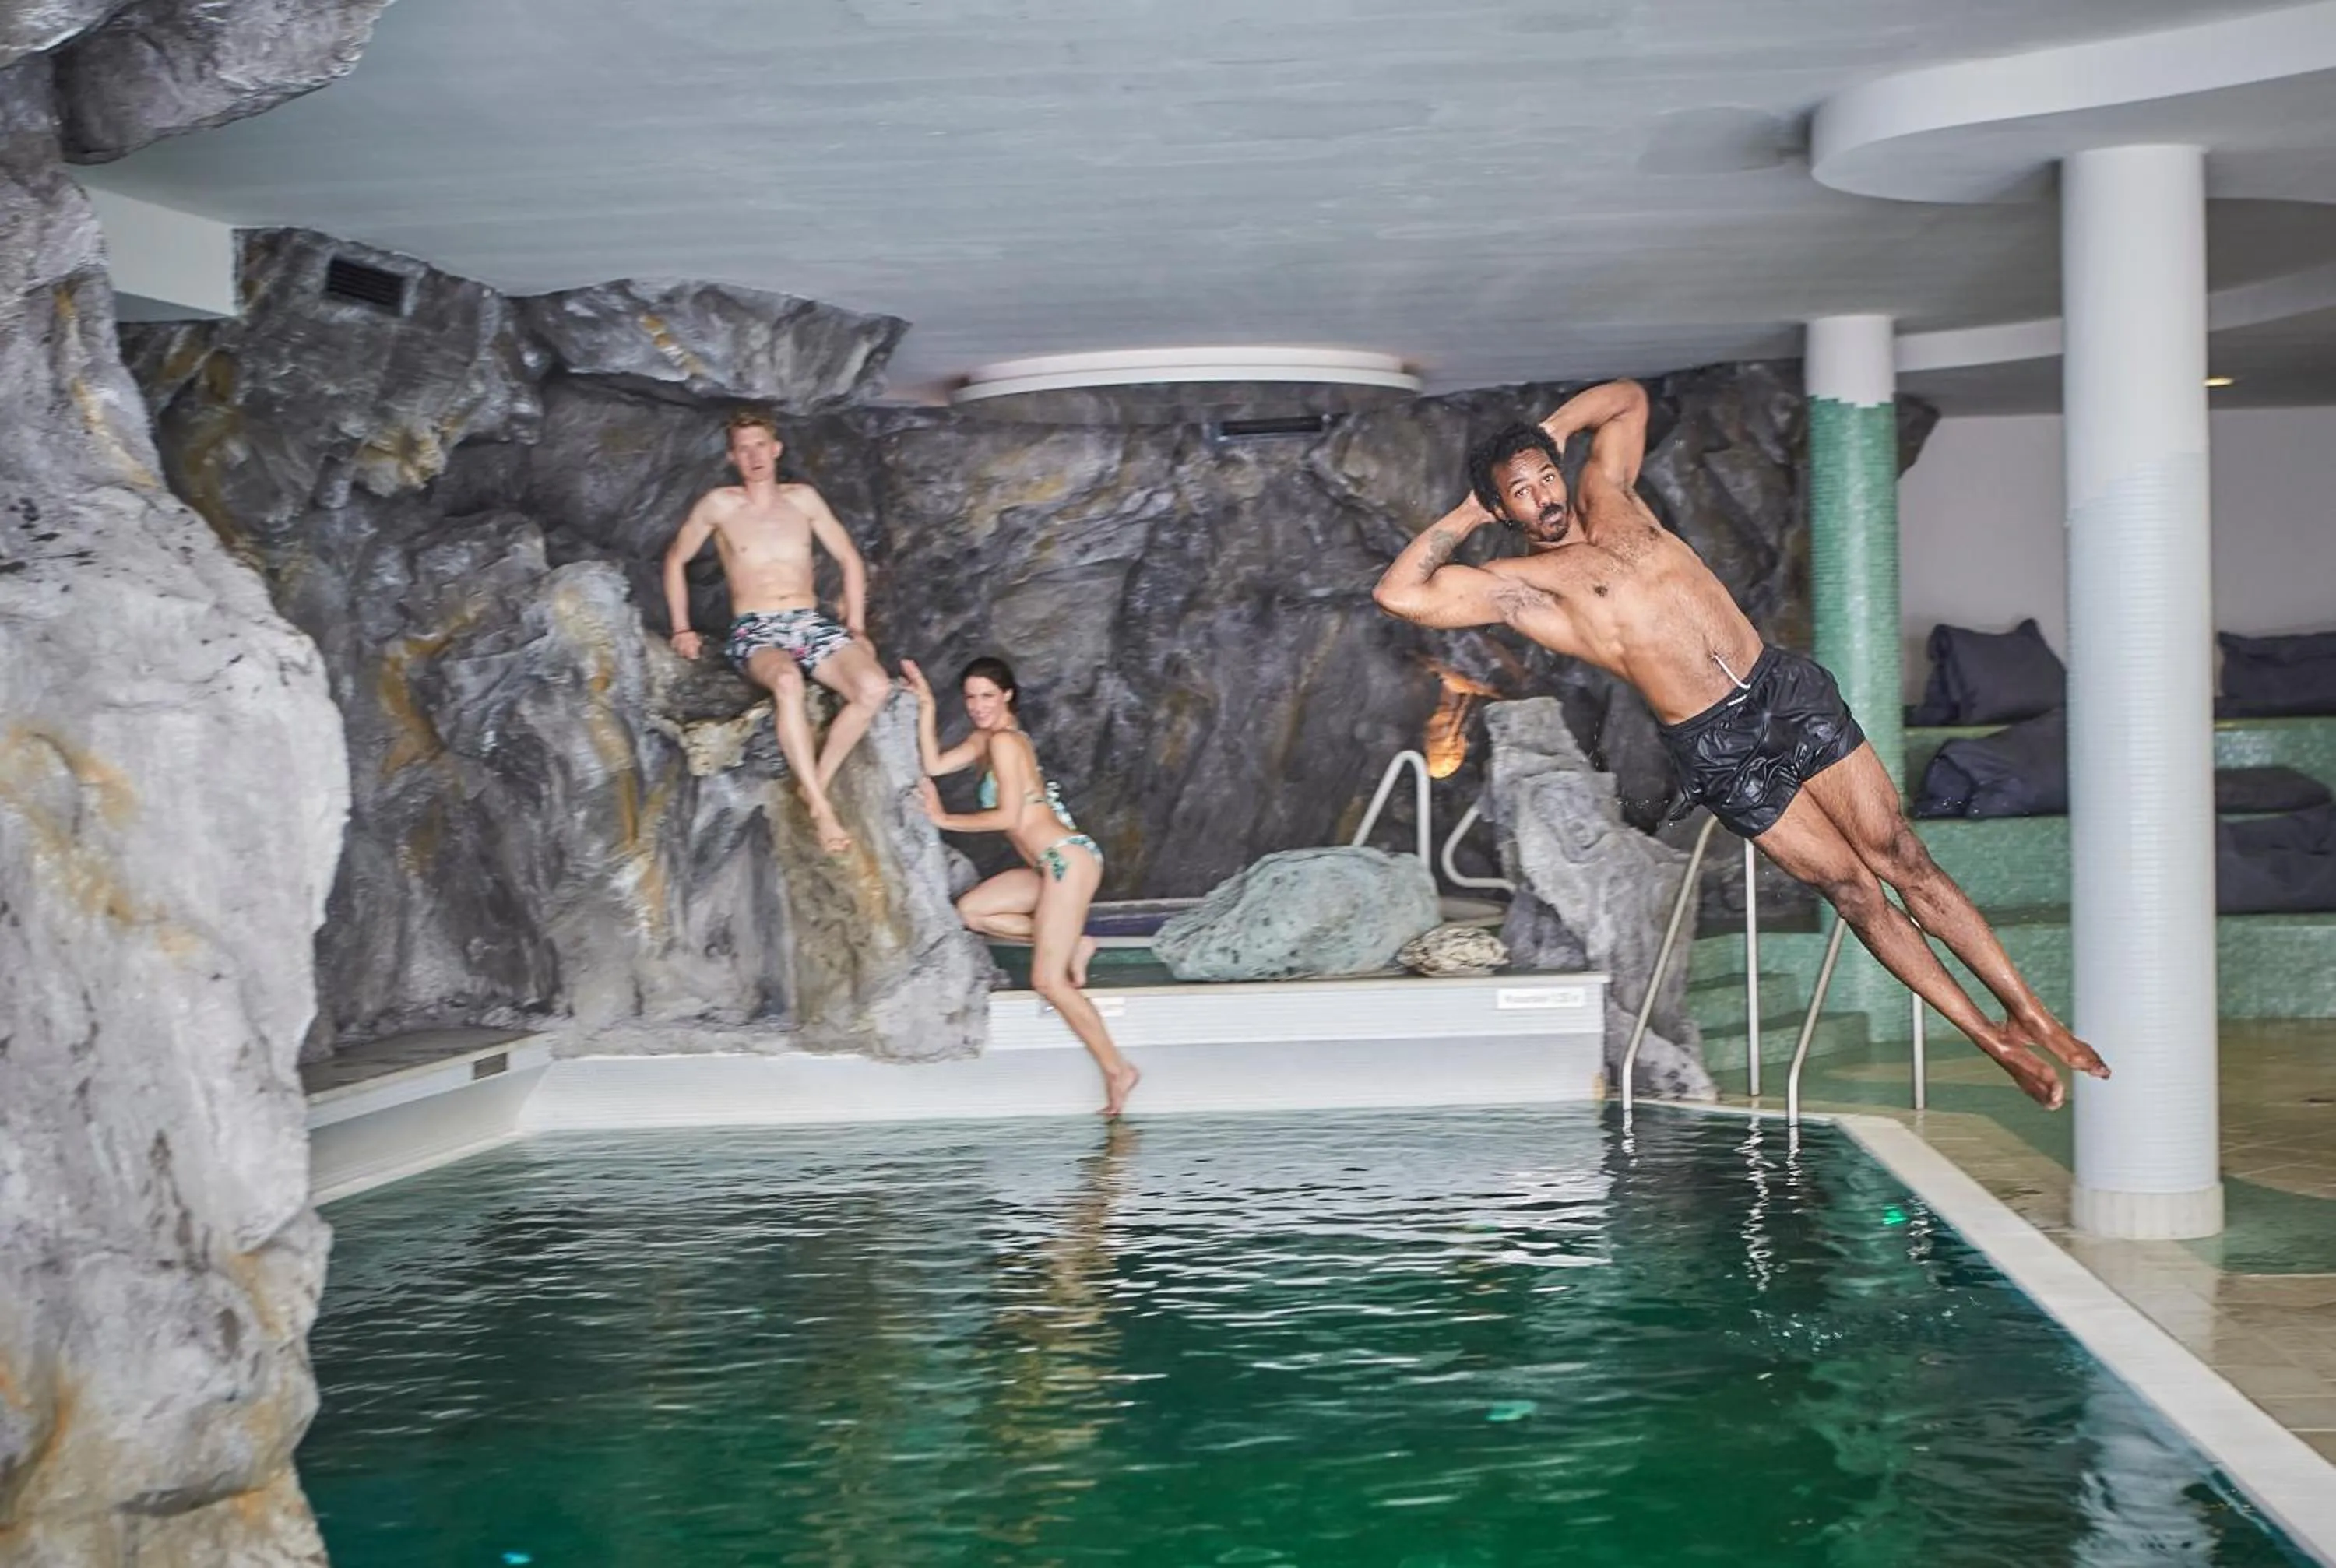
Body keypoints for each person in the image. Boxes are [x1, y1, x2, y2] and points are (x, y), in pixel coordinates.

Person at [1372, 380, 2110, 1109]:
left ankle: (2030, 1012)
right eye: (1521, 492)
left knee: (1902, 856)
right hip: (1717, 747)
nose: (1544, 495)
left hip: (1781, 691)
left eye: (1545, 477)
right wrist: (1468, 512)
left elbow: (1626, 400)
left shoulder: (1612, 494)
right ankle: (1990, 1039)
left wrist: (1553, 432)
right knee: (1854, 892)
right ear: (1504, 510)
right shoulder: (1524, 586)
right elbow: (1399, 594)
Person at [903, 655, 1140, 1117]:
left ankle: (1118, 1070)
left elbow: (1009, 817)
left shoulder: (1007, 742)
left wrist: (943, 819)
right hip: (1045, 868)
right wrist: (927, 704)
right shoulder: (984, 739)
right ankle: (1074, 944)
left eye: (987, 696)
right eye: (971, 697)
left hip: (1066, 860)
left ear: (1007, 695)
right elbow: (933, 763)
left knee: (1047, 981)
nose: (978, 706)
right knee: (971, 912)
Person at [663, 409, 892, 856]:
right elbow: (676, 559)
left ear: (776, 449)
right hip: (756, 627)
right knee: (786, 681)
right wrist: (681, 628)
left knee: (874, 688)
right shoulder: (719, 505)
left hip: (807, 620)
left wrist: (857, 627)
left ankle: (815, 783)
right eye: (743, 449)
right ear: (732, 457)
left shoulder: (803, 500)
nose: (754, 456)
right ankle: (822, 810)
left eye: (760, 446)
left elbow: (849, 558)